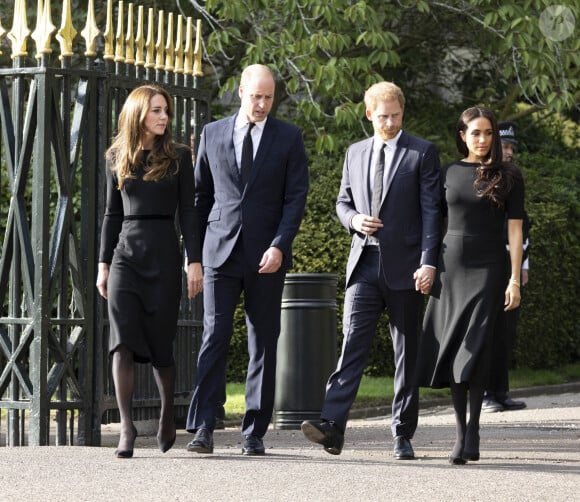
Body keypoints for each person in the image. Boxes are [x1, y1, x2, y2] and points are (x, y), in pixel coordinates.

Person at [301, 81, 442, 459]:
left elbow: (433, 212)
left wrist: (429, 261)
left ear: (402, 112)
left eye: (396, 116)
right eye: (384, 116)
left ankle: (402, 433)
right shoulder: (355, 152)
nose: (391, 123)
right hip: (363, 264)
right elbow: (342, 202)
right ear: (369, 115)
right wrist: (354, 220)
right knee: (352, 345)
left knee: (406, 352)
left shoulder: (422, 153)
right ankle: (332, 426)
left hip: (408, 267)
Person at [185, 64, 309, 456]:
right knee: (214, 337)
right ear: (241, 92)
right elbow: (199, 199)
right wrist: (194, 257)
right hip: (219, 251)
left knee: (263, 343)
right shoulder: (212, 133)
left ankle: (254, 431)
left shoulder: (288, 137)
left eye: (269, 97)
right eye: (256, 96)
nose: (262, 104)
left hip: (266, 256)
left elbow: (295, 199)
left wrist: (280, 245)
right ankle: (204, 426)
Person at [96, 85, 203, 458]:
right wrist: (103, 264)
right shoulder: (116, 157)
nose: (164, 117)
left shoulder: (179, 157)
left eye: (166, 111)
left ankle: (166, 416)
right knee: (122, 341)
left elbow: (189, 212)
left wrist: (194, 260)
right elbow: (111, 214)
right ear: (139, 113)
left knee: (161, 346)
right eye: (157, 110)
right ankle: (126, 428)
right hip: (126, 256)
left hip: (164, 257)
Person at [415, 107, 524, 465]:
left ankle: (473, 430)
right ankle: (461, 433)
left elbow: (514, 230)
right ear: (462, 135)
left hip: (489, 269)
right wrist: (427, 265)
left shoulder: (509, 175)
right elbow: (434, 221)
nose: (482, 140)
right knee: (455, 352)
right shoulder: (447, 172)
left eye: (488, 133)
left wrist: (513, 279)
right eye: (475, 133)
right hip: (451, 270)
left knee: (474, 350)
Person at [483, 121, 530, 412]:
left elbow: (524, 227)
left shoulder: (514, 178)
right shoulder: (482, 177)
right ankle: (486, 393)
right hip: (488, 263)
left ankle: (500, 391)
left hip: (511, 264)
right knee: (487, 330)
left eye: (512, 147)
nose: (509, 151)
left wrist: (523, 265)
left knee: (505, 332)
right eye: (505, 146)